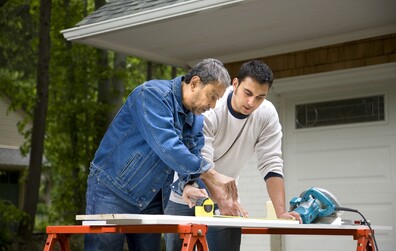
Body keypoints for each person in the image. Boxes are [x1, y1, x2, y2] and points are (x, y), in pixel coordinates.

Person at [84, 58, 231, 251]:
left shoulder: (195, 120)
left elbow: (192, 154)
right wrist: (211, 174)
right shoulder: (151, 95)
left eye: (217, 99)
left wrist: (189, 184)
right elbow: (167, 145)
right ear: (195, 83)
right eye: (212, 96)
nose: (212, 105)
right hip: (112, 191)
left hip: (151, 198)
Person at [165, 60, 301, 251]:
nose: (251, 103)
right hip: (186, 191)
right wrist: (220, 199)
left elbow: (272, 164)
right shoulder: (211, 106)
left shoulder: (267, 114)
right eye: (248, 93)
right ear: (235, 84)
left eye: (260, 97)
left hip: (225, 198)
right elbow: (202, 162)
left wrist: (281, 212)